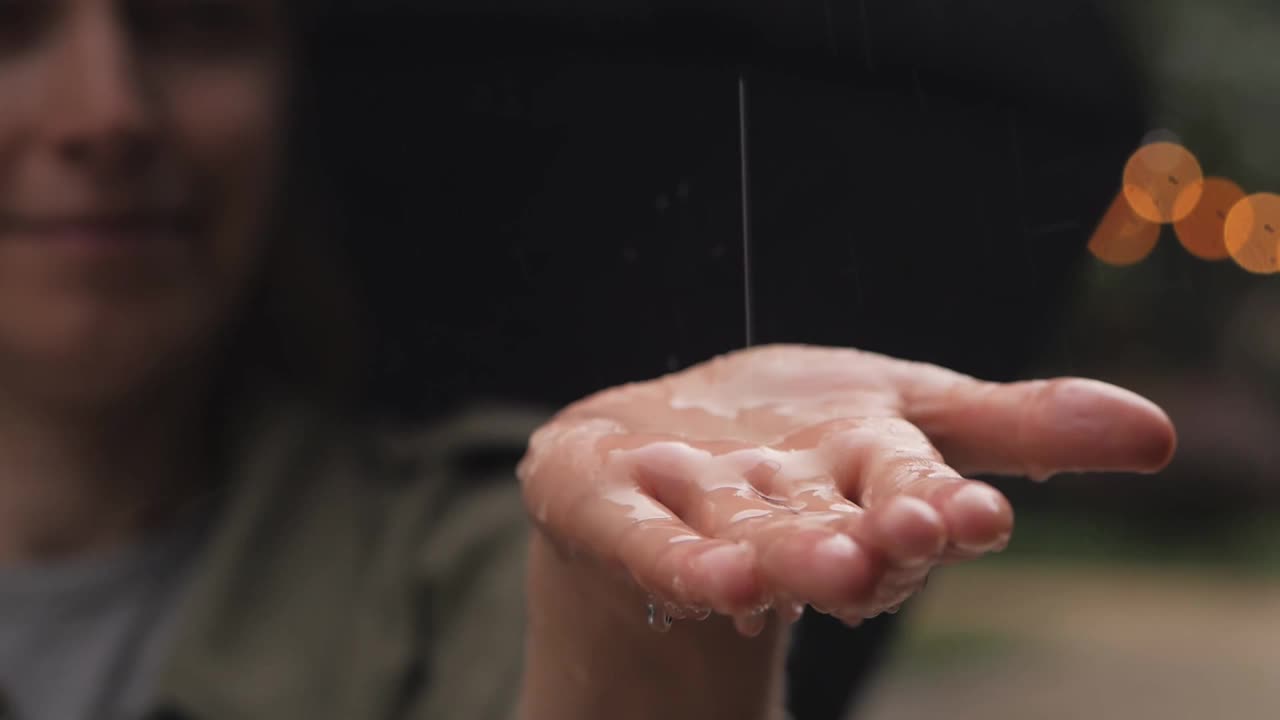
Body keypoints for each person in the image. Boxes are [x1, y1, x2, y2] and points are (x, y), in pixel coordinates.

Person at [0, 1, 1176, 719]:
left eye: (194, 21)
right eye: (10, 25)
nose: (107, 110)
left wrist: (637, 601)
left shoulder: (448, 573)